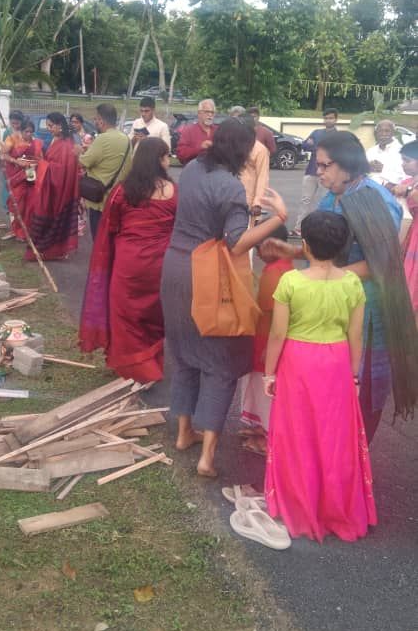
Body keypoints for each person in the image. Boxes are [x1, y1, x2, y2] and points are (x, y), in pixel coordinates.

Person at [160, 117, 289, 478]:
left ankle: (185, 433)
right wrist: (278, 218)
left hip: (174, 267)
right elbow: (237, 242)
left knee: (185, 353)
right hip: (205, 274)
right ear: (243, 150)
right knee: (220, 359)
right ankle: (207, 458)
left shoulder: (193, 169)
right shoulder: (230, 187)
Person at [267, 131, 417, 440]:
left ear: (347, 166)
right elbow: (325, 249)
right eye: (317, 165)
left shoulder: (373, 199)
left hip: (365, 310)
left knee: (356, 397)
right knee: (323, 395)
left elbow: (381, 263)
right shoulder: (334, 194)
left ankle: (347, 472)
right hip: (332, 304)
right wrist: (294, 251)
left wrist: (326, 280)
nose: (318, 172)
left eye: (325, 166)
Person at [263, 210, 377, 543]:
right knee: (334, 437)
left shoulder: (291, 282)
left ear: (306, 245)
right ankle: (334, 504)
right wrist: (354, 376)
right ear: (342, 246)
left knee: (298, 435)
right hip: (337, 363)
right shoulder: (352, 282)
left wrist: (270, 373)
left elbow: (277, 335)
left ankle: (300, 502)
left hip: (299, 363)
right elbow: (356, 336)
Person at [79, 137, 177, 382]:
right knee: (155, 316)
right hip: (161, 265)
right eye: (166, 156)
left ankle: (133, 369)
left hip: (128, 263)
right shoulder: (174, 191)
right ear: (158, 160)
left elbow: (109, 226)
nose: (169, 161)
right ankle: (152, 364)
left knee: (126, 316)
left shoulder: (122, 191)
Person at [239, 223, 294, 453]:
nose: (258, 251)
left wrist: (267, 348)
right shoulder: (283, 267)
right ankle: (261, 428)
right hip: (264, 336)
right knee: (258, 388)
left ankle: (268, 439)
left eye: (259, 246)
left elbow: (274, 316)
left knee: (266, 393)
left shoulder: (276, 273)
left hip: (266, 340)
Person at [25, 112, 79, 262]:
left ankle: (50, 251)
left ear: (59, 125)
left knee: (50, 218)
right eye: (47, 126)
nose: (48, 128)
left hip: (58, 191)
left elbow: (61, 170)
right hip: (50, 188)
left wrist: (42, 165)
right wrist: (41, 163)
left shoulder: (67, 144)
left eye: (50, 125)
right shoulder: (58, 140)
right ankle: (45, 250)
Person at [78, 103, 131, 240]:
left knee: (99, 240)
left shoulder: (102, 138)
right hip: (118, 197)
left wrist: (78, 152)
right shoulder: (126, 138)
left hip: (99, 200)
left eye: (96, 119)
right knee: (113, 239)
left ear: (101, 120)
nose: (95, 122)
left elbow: (83, 162)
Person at [292, 107, 339, 234]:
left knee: (324, 202)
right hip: (311, 171)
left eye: (331, 118)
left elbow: (336, 152)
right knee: (305, 200)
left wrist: (316, 146)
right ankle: (298, 228)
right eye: (326, 118)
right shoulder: (317, 132)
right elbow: (305, 145)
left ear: (336, 119)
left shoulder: (338, 136)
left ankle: (322, 230)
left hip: (328, 173)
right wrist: (320, 147)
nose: (328, 120)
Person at [2, 119, 44, 240]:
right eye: (26, 132)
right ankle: (16, 230)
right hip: (17, 177)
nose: (29, 134)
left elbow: (41, 158)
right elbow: (3, 154)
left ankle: (26, 232)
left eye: (31, 132)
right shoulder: (13, 140)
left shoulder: (36, 143)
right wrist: (17, 161)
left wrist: (37, 164)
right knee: (18, 205)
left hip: (31, 177)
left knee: (30, 205)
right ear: (21, 131)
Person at [393, 140, 418, 325]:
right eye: (402, 160)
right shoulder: (409, 181)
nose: (403, 164)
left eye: (407, 160)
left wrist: (408, 190)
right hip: (409, 236)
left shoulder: (409, 185)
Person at [230, 110, 270, 218]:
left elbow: (263, 178)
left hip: (249, 203)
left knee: (247, 233)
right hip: (229, 199)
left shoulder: (260, 150)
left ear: (253, 129)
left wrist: (257, 203)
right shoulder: (231, 145)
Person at [175, 99, 217, 165]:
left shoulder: (218, 131)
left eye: (212, 112)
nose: (210, 114)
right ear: (199, 113)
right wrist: (200, 148)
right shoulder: (188, 131)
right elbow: (181, 155)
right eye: (207, 112)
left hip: (215, 172)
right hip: (194, 172)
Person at [366, 119, 405, 189]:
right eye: (380, 131)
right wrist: (367, 167)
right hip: (369, 191)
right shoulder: (370, 151)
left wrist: (383, 169)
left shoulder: (401, 151)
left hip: (393, 193)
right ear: (376, 133)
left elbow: (404, 175)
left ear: (393, 133)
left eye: (387, 131)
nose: (383, 134)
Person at [0, 110, 25, 211]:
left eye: (17, 123)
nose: (15, 125)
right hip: (11, 165)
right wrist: (15, 160)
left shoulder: (25, 131)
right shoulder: (8, 132)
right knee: (9, 188)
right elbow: (5, 152)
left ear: (22, 122)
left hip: (23, 165)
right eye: (13, 123)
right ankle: (9, 209)